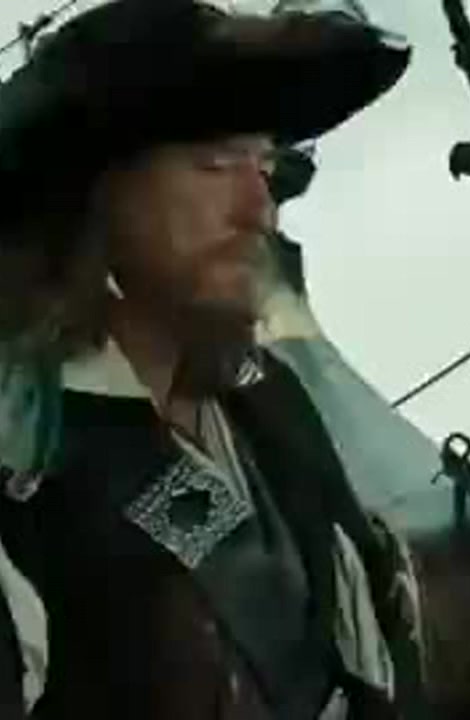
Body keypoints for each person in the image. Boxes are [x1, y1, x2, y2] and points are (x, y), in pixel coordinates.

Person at [0, 0, 427, 718]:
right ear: (98, 196)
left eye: (267, 167)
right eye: (216, 163)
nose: (259, 209)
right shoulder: (24, 457)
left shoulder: (275, 412)